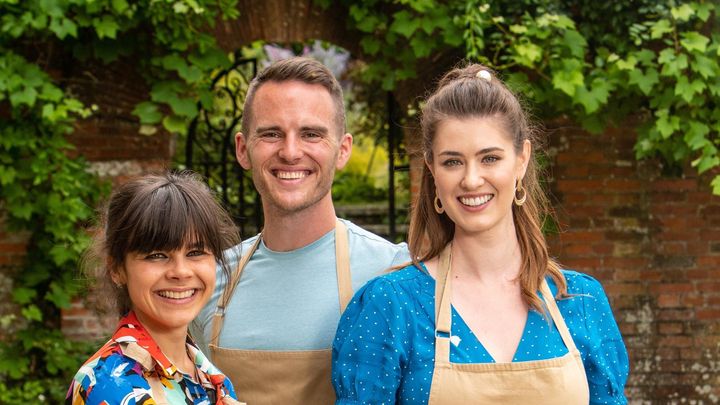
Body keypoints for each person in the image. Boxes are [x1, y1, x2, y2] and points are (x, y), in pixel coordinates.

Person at [332, 64, 630, 404]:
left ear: (521, 160)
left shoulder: (580, 301)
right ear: (431, 169)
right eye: (452, 162)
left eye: (489, 158)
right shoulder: (391, 306)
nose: (471, 180)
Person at [191, 57, 410, 404]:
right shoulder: (209, 279)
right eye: (271, 133)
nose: (290, 152)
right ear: (243, 149)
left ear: (342, 150)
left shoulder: (395, 271)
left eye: (311, 134)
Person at [66, 171, 243, 405]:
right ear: (117, 269)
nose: (181, 272)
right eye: (157, 255)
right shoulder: (110, 386)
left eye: (195, 252)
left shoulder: (210, 378)